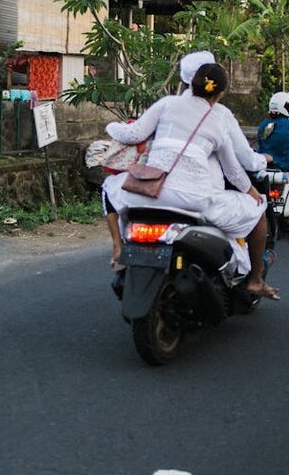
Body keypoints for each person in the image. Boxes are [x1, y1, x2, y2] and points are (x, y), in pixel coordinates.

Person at [103, 63, 279, 300]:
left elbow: (133, 134)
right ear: (220, 94)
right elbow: (234, 171)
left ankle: (118, 247)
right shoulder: (219, 119)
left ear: (189, 82)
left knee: (108, 187)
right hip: (192, 199)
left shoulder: (167, 104)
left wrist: (110, 125)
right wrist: (252, 193)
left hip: (147, 191)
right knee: (259, 211)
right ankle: (255, 281)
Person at [179, 51, 269, 189]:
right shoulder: (220, 114)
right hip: (207, 190)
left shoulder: (169, 106)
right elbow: (244, 159)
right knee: (257, 204)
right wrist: (263, 159)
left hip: (165, 187)